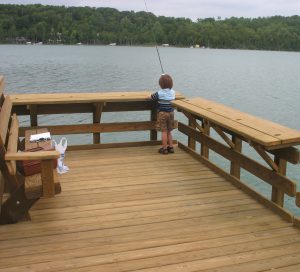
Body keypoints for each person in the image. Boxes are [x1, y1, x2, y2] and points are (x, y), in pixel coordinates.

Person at [149, 74, 175, 154]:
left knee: (164, 131)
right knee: (169, 131)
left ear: (160, 84)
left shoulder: (159, 93)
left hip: (162, 114)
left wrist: (149, 95)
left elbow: (151, 97)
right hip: (171, 113)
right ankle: (171, 147)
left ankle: (164, 148)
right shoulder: (173, 92)